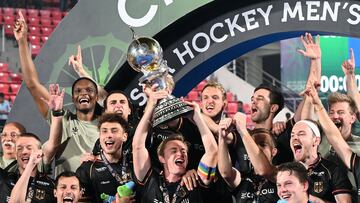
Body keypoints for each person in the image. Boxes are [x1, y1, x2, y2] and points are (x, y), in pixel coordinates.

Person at [14, 11, 100, 176]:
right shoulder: (61, 118)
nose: (84, 93)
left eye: (89, 90)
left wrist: (81, 71)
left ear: (96, 96)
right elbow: (32, 84)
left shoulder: (106, 123)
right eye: (78, 91)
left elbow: (105, 95)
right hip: (67, 193)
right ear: (72, 98)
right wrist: (23, 42)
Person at [132, 85, 218, 202]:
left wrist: (197, 117)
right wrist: (152, 104)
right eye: (173, 150)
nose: (180, 154)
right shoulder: (150, 180)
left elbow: (212, 152)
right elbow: (137, 146)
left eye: (184, 151)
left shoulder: (196, 182)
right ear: (162, 158)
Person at [306, 66, 360, 202]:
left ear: (353, 118)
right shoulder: (317, 140)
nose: (335, 116)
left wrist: (350, 76)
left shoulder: (358, 145)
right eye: (331, 112)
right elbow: (304, 123)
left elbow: (336, 139)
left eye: (341, 112)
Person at [218, 112, 279, 202]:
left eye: (262, 144)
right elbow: (225, 173)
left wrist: (242, 130)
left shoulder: (280, 174)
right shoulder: (244, 177)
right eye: (253, 145)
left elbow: (263, 170)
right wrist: (222, 138)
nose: (256, 148)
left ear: (273, 152)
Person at [76, 113, 134, 203]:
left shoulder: (135, 163)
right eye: (104, 131)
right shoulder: (87, 169)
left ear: (124, 136)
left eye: (114, 131)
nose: (109, 135)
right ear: (99, 136)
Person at [290, 118, 352, 202]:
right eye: (292, 135)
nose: (294, 138)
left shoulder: (332, 170)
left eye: (301, 134)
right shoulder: (287, 171)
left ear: (316, 140)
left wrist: (316, 201)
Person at [2, 133, 55, 202]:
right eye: (19, 149)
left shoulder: (52, 185)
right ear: (15, 155)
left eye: (29, 148)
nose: (24, 152)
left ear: (40, 154)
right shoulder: (3, 179)